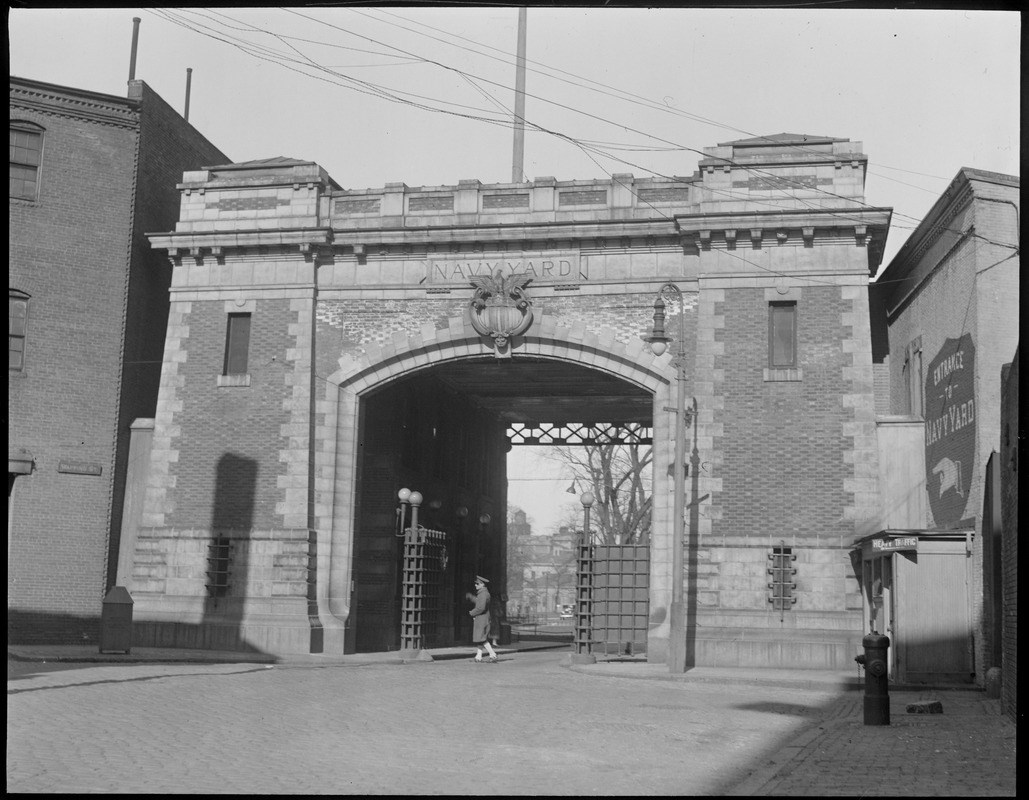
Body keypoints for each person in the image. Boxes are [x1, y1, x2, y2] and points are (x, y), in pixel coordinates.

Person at [469, 576, 497, 663]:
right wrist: (471, 597)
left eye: (477, 584)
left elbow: (481, 607)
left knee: (481, 638)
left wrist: (471, 613)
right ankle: (478, 656)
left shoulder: (483, 594)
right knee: (480, 638)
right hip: (483, 618)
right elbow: (479, 602)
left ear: (482, 584)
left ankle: (492, 654)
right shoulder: (483, 593)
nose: (475, 585)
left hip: (482, 618)